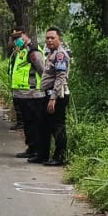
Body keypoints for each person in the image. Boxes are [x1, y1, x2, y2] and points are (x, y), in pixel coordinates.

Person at [9, 30, 47, 162]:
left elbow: (43, 70)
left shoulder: (33, 51)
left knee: (34, 124)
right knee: (27, 123)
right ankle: (31, 148)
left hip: (33, 94)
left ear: (26, 36)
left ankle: (36, 150)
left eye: (19, 37)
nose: (16, 40)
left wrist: (47, 89)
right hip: (22, 94)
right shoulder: (21, 50)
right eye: (14, 38)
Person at [40, 27, 70, 166]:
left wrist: (53, 98)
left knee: (58, 126)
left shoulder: (60, 55)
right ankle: (44, 155)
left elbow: (60, 77)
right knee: (47, 125)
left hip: (57, 96)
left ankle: (60, 157)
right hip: (49, 94)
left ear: (60, 39)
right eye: (47, 38)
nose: (49, 40)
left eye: (53, 38)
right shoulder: (51, 54)